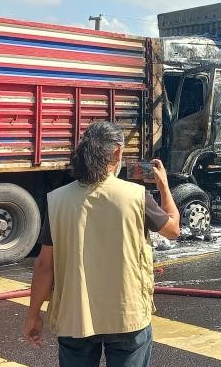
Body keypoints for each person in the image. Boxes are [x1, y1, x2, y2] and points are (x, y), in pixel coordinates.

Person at [22, 121, 181, 367]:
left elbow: (44, 266)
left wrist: (33, 315)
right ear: (116, 152)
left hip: (75, 318)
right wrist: (164, 187)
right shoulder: (137, 196)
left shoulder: (57, 201)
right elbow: (173, 229)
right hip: (126, 315)